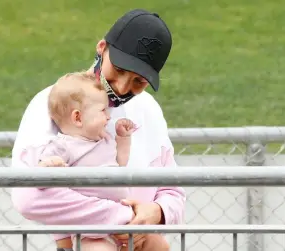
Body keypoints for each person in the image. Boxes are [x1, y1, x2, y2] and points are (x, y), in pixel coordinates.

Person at [11, 8, 186, 251]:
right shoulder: (53, 103)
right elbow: (28, 197)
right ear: (102, 48)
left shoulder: (149, 109)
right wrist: (123, 220)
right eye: (120, 70)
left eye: (139, 81)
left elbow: (173, 192)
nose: (124, 87)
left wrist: (154, 213)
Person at [19, 72, 170, 251]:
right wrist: (48, 165)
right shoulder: (64, 145)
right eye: (102, 111)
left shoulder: (104, 139)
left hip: (121, 219)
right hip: (91, 231)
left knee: (159, 245)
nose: (108, 116)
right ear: (77, 117)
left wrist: (123, 138)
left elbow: (120, 163)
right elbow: (41, 170)